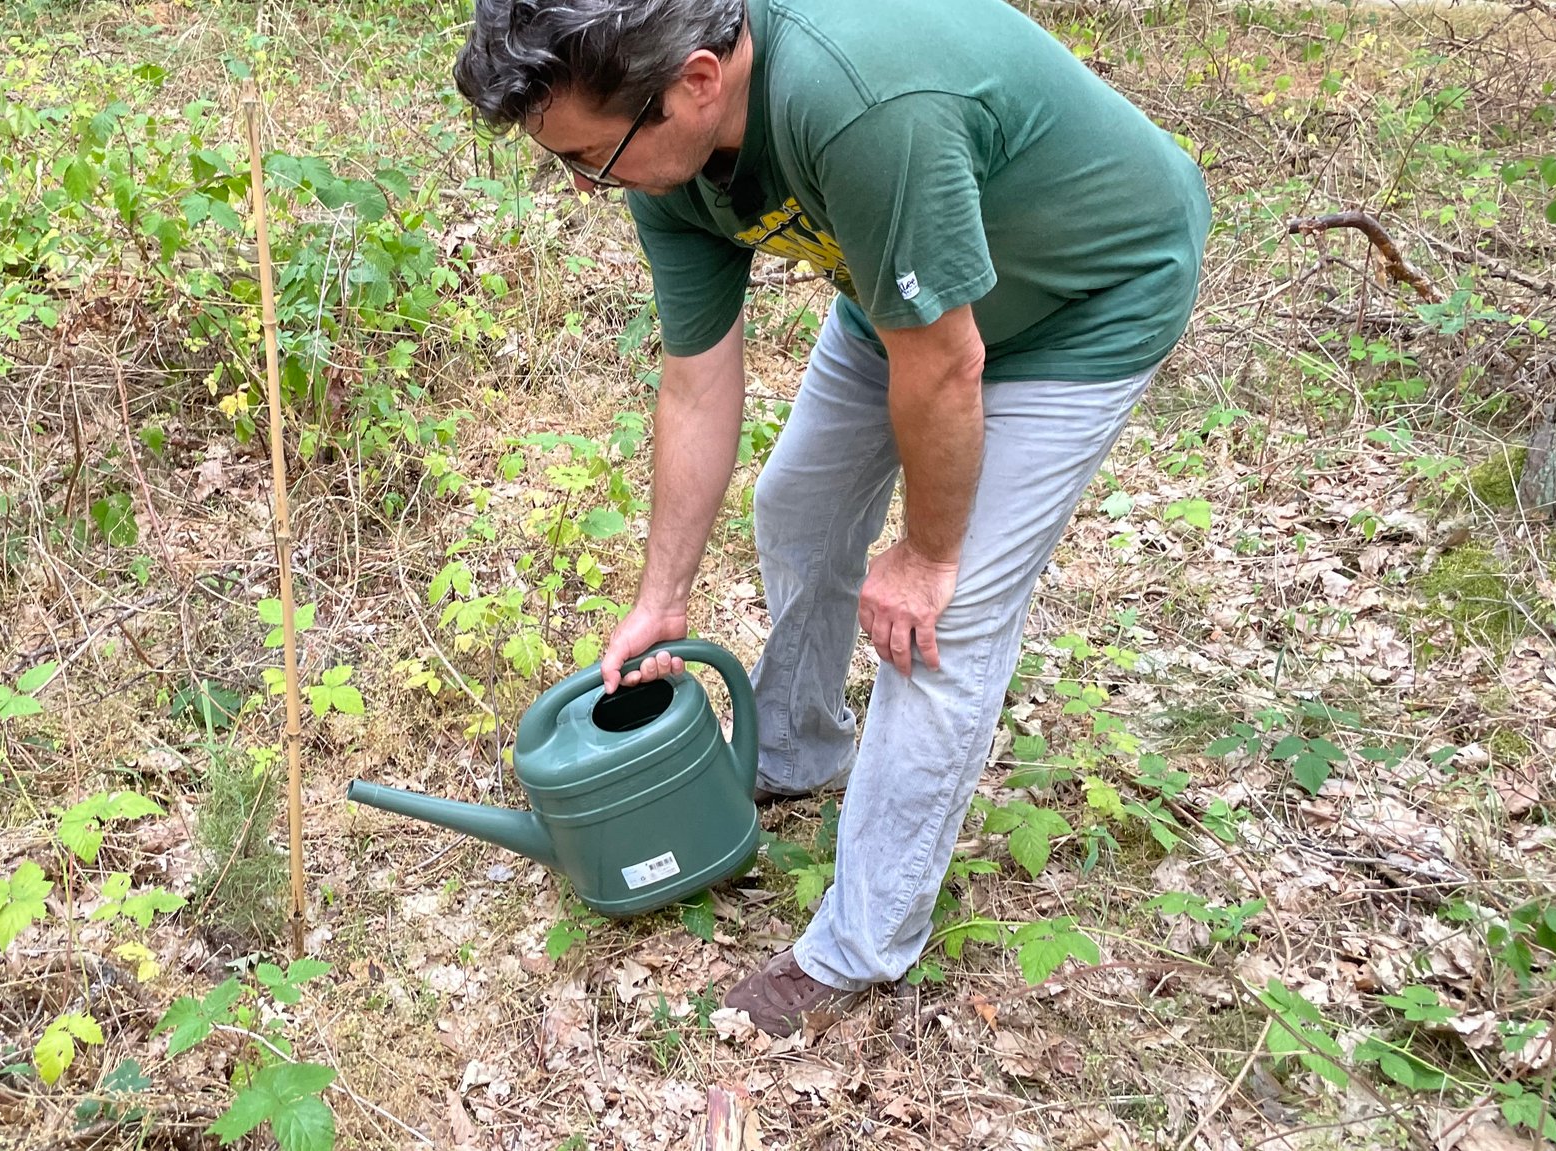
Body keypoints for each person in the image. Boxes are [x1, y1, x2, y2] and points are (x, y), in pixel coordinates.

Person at [454, 0, 1210, 1035]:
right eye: (568, 164)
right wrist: (659, 596)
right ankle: (799, 744)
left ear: (699, 81)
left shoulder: (857, 100)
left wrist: (928, 552)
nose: (590, 184)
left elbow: (945, 366)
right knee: (797, 500)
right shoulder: (658, 147)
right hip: (906, 296)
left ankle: (858, 944)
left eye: (594, 156)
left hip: (1085, 299)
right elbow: (695, 380)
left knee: (938, 626)